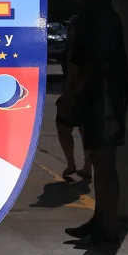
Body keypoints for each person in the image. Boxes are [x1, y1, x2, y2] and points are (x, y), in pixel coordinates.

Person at [60, 0, 128, 246]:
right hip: (109, 96)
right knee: (102, 162)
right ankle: (100, 220)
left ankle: (107, 228)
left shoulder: (90, 18)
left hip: (101, 98)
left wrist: (68, 97)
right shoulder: (107, 15)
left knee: (104, 164)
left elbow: (86, 65)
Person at [56, 15, 93, 183]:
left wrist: (67, 95)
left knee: (64, 128)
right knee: (84, 130)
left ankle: (74, 164)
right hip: (85, 93)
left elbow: (76, 73)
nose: (69, 30)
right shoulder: (80, 47)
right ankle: (85, 166)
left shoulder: (78, 48)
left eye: (72, 27)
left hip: (76, 94)